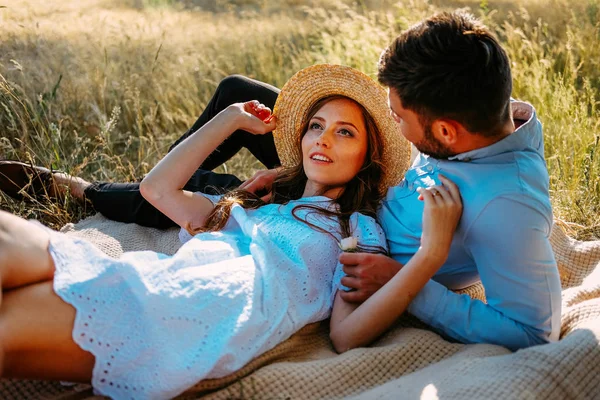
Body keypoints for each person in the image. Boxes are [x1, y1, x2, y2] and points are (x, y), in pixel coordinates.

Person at [0, 10, 561, 351]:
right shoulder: (484, 108)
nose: (392, 119)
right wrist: (296, 172)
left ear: (444, 130)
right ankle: (173, 188)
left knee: (215, 198)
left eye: (398, 117)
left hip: (346, 203)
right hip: (336, 177)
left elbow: (533, 332)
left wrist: (404, 277)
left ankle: (82, 191)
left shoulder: (506, 207)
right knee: (237, 95)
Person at [0, 64, 463, 400]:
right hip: (155, 278)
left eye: (345, 133)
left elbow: (344, 335)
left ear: (367, 156)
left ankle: (74, 189)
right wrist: (232, 119)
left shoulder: (355, 228)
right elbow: (157, 189)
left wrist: (429, 257)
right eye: (316, 127)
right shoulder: (259, 205)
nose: (322, 138)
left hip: (198, 312)